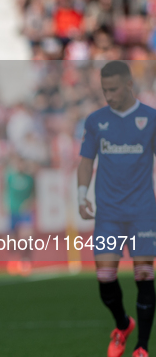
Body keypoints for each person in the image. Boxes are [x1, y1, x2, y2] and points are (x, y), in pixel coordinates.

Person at [78, 61, 156, 357]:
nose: (108, 95)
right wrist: (81, 195)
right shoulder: (96, 121)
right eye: (104, 90)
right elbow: (86, 161)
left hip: (142, 213)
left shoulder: (150, 118)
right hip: (108, 214)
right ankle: (123, 325)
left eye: (113, 89)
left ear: (128, 85)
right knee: (105, 278)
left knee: (144, 275)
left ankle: (141, 348)